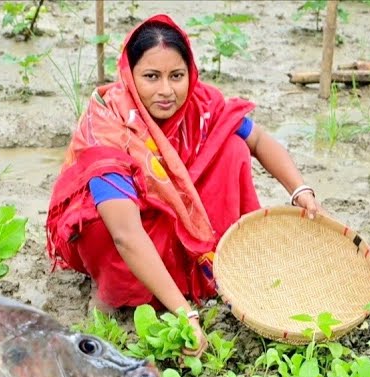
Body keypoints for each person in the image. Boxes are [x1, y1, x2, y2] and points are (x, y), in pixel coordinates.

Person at [45, 15, 322, 356]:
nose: (166, 91)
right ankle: (110, 293)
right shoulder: (110, 128)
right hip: (128, 235)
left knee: (233, 146)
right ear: (129, 76)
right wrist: (185, 315)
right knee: (100, 224)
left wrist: (300, 191)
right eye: (151, 77)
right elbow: (126, 236)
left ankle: (212, 267)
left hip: (177, 222)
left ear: (190, 73)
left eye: (176, 76)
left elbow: (259, 140)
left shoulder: (201, 106)